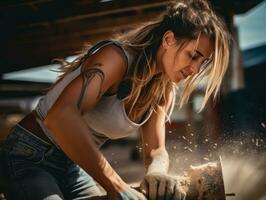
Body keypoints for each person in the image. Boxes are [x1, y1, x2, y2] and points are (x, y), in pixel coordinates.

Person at [0, 0, 230, 199]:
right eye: (193, 56)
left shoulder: (162, 91)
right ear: (168, 40)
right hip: (29, 156)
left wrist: (156, 172)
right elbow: (60, 117)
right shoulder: (115, 59)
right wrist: (115, 184)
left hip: (73, 165)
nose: (195, 69)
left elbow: (156, 150)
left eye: (203, 63)